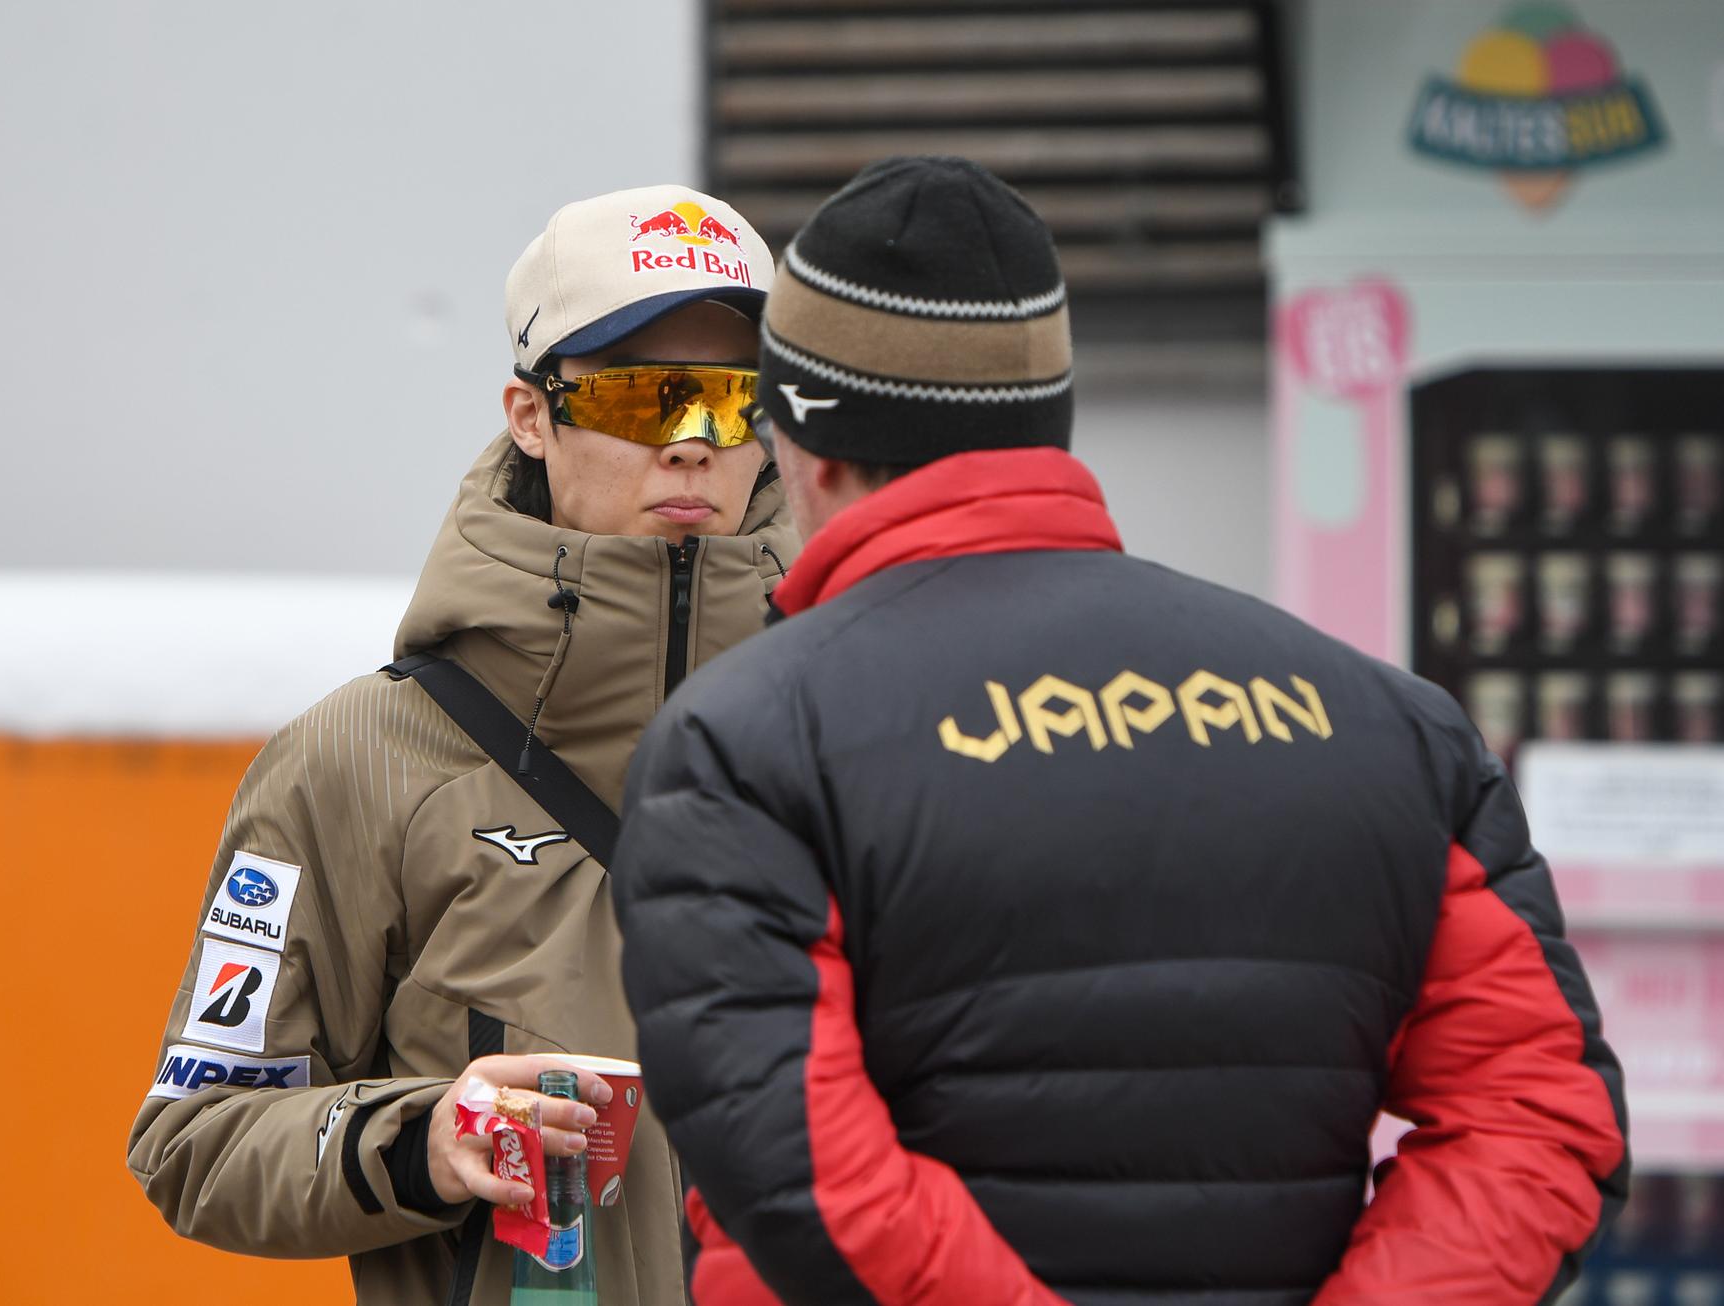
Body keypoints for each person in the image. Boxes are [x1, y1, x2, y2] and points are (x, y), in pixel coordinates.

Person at [613, 156, 1629, 1305]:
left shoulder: (749, 745)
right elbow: (1539, 1116)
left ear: (812, 441)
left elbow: (801, 1168)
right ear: (1045, 420)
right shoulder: (1391, 727)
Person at [127, 184, 793, 1305]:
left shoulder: (857, 732)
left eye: (731, 401)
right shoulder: (358, 757)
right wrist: (421, 1140)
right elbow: (195, 1137)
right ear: (531, 415)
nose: (691, 443)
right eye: (643, 396)